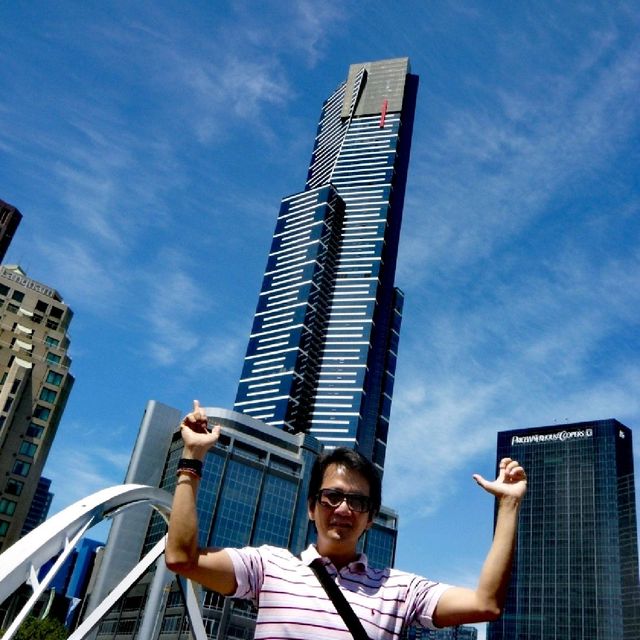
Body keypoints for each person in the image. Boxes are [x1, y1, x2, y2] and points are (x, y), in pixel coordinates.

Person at [165, 401, 527, 638]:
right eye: (332, 497)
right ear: (312, 507)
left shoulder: (398, 591)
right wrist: (192, 458)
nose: (343, 509)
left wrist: (508, 507)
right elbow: (182, 558)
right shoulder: (267, 567)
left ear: (370, 518)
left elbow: (485, 604)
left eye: (357, 501)